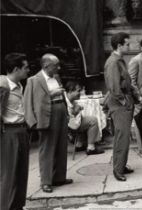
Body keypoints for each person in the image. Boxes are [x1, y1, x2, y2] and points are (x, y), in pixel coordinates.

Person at [24, 53, 73, 193]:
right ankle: (45, 181)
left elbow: (62, 95)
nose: (58, 67)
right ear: (46, 65)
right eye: (55, 65)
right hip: (46, 115)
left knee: (61, 145)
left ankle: (59, 177)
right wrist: (32, 122)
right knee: (47, 149)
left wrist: (67, 112)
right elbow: (27, 102)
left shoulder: (56, 77)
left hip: (60, 111)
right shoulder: (33, 80)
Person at [104, 32, 139, 181]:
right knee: (122, 137)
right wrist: (124, 101)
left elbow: (125, 81)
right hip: (119, 104)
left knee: (124, 137)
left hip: (124, 100)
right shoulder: (113, 62)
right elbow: (113, 86)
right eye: (127, 44)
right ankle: (118, 170)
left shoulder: (119, 60)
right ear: (119, 46)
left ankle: (121, 165)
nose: (129, 46)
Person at [1, 53, 30, 210]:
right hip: (9, 133)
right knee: (9, 175)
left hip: (21, 130)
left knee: (21, 172)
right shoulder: (2, 85)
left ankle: (17, 206)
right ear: (16, 69)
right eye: (25, 67)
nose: (28, 70)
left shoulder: (19, 85)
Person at [64, 81, 105, 155]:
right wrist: (75, 112)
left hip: (71, 123)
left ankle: (80, 144)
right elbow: (70, 119)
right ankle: (91, 148)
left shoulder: (69, 99)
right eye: (78, 91)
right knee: (93, 120)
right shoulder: (65, 101)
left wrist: (77, 110)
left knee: (85, 118)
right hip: (69, 127)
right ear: (70, 91)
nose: (80, 93)